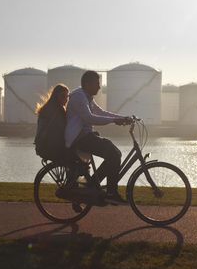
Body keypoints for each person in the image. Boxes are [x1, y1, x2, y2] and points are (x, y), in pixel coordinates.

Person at [65, 70, 133, 204]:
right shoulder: (79, 97)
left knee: (114, 153)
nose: (99, 87)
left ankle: (93, 184)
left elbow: (100, 112)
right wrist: (114, 121)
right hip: (79, 138)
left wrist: (122, 118)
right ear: (87, 84)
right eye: (97, 83)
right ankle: (110, 192)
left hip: (85, 136)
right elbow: (90, 118)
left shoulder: (86, 96)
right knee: (113, 153)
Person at [34, 84, 70, 164]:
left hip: (42, 147)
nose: (66, 99)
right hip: (49, 148)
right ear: (56, 96)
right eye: (63, 96)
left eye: (67, 97)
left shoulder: (48, 108)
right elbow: (63, 128)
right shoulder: (55, 111)